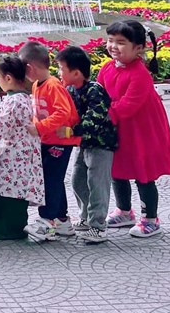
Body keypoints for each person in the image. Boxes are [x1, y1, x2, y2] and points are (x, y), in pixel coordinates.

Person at [98, 20, 170, 239]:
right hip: (118, 129)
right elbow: (99, 92)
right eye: (110, 40)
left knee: (143, 174)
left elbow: (129, 104)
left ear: (138, 48)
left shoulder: (140, 74)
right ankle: (124, 211)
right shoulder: (107, 68)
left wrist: (104, 115)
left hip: (141, 131)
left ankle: (150, 219)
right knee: (117, 169)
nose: (113, 46)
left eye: (121, 42)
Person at [0, 54, 44, 241]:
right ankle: (4, 227)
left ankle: (8, 230)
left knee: (10, 191)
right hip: (17, 153)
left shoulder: (15, 101)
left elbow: (1, 124)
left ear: (8, 78)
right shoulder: (20, 98)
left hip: (17, 155)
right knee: (8, 189)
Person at [54, 45, 118, 245]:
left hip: (101, 145)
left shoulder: (94, 90)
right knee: (78, 180)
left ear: (76, 73)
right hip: (84, 144)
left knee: (97, 184)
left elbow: (94, 118)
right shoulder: (70, 90)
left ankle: (98, 227)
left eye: (61, 69)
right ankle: (86, 217)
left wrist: (72, 131)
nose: (58, 73)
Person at [18, 40, 80, 242]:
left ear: (30, 68)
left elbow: (64, 112)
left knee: (49, 180)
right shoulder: (37, 85)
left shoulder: (53, 86)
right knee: (52, 178)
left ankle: (48, 221)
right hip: (48, 140)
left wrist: (39, 128)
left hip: (60, 142)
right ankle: (62, 220)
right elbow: (40, 112)